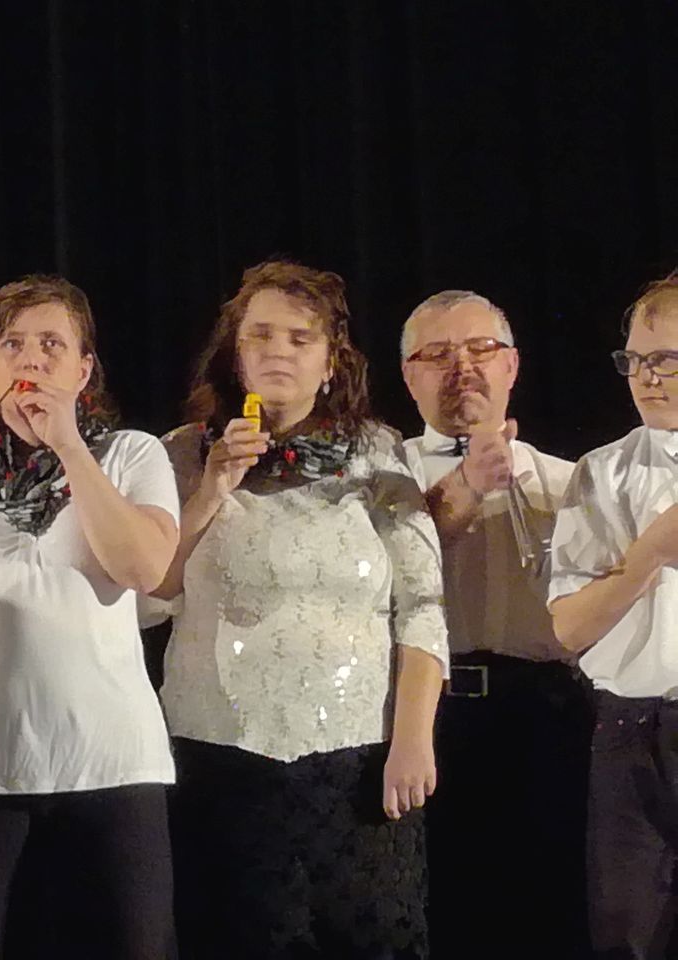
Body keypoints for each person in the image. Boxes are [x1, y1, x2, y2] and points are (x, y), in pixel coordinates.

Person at [154, 260, 448, 959]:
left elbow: (422, 605)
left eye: (300, 337)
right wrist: (212, 490)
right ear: (235, 354)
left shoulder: (378, 455)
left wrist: (413, 739)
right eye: (260, 335)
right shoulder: (182, 455)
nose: (278, 351)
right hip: (219, 758)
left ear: (329, 361)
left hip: (357, 760)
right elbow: (145, 596)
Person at [0, 275, 180, 958]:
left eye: (52, 345)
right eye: (12, 344)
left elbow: (143, 569)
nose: (32, 361)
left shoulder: (132, 454)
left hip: (111, 766)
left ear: (83, 370)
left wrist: (71, 447)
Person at [398, 290, 591, 958]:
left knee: (548, 918)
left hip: (546, 720)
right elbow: (385, 567)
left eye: (481, 348)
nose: (463, 367)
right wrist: (465, 485)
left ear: (512, 365)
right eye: (438, 354)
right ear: (409, 377)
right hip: (421, 721)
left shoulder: (573, 482)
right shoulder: (383, 475)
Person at [548, 270, 678, 960]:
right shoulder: (603, 472)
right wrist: (649, 553)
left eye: (668, 359)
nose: (647, 377)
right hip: (633, 730)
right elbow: (570, 627)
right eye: (635, 359)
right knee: (629, 935)